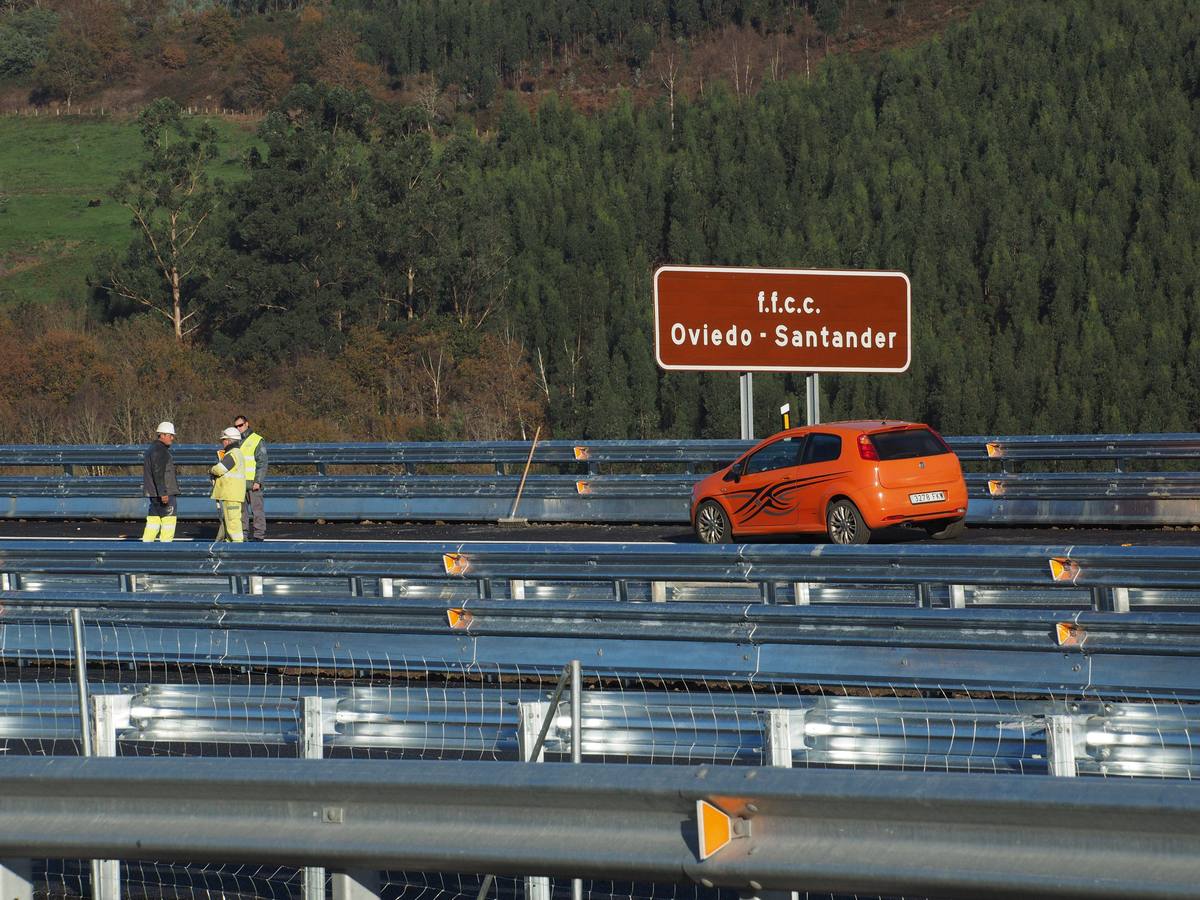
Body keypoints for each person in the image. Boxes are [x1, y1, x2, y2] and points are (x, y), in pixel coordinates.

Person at [142, 421, 179, 542]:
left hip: (153, 494)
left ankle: (146, 548)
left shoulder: (151, 449)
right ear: (162, 435)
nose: (172, 438)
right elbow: (158, 472)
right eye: (170, 435)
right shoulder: (160, 451)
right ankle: (165, 550)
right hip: (164, 493)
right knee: (169, 521)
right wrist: (163, 492)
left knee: (153, 521)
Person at [233, 414, 267, 541]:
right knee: (241, 512)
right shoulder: (235, 440)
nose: (238, 428)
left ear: (247, 423)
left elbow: (262, 462)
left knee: (257, 510)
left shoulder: (257, 440)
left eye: (240, 425)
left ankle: (259, 535)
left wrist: (258, 481)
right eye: (236, 426)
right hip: (239, 482)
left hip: (253, 482)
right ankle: (243, 534)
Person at [210, 426, 247, 542]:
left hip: (231, 495)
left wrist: (212, 470)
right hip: (233, 494)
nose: (223, 443)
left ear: (228, 440)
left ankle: (237, 547)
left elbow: (220, 469)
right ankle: (231, 545)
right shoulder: (238, 453)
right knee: (231, 522)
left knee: (233, 523)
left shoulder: (232, 454)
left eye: (223, 440)